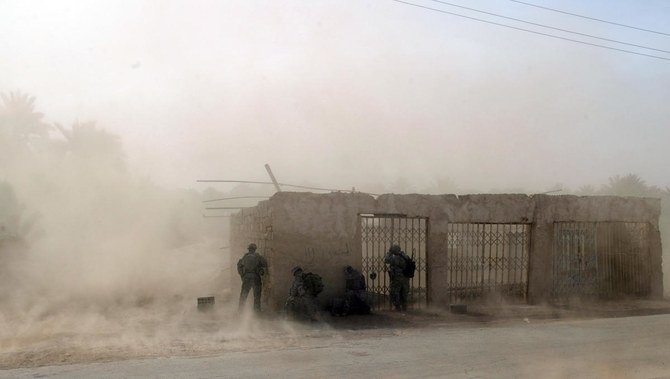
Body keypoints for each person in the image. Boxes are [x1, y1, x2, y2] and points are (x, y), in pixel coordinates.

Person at [237, 243, 267, 312]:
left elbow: (239, 266)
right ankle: (256, 311)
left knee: (243, 295)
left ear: (249, 249)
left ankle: (240, 311)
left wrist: (242, 275)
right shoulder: (258, 256)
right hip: (256, 278)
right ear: (255, 249)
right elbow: (264, 264)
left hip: (246, 278)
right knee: (257, 296)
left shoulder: (244, 256)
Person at [384, 244, 410, 311]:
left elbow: (386, 260)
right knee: (404, 291)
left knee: (395, 291)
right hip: (406, 277)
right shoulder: (405, 256)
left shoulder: (395, 257)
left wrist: (389, 252)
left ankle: (397, 306)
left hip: (397, 277)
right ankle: (405, 306)